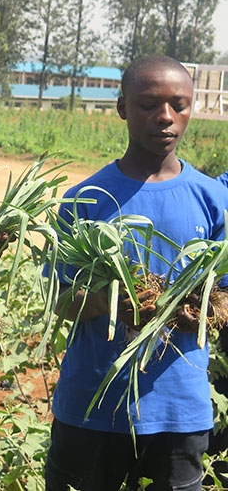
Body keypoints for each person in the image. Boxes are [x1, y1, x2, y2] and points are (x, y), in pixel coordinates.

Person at [44, 55, 228, 490]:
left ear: (192, 108)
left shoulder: (212, 201)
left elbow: (224, 294)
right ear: (122, 106)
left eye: (179, 105)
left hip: (178, 411)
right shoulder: (86, 199)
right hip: (91, 407)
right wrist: (110, 303)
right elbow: (62, 300)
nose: (165, 117)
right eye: (148, 104)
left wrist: (202, 312)